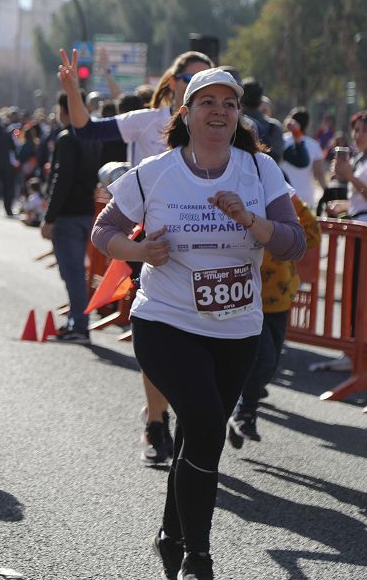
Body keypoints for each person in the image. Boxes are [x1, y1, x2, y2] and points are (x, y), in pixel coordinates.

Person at [90, 68, 304, 580]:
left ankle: (171, 533)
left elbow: (293, 242)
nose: (218, 111)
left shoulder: (260, 171)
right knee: (207, 420)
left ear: (238, 116)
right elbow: (105, 231)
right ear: (185, 113)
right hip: (165, 319)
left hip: (236, 326)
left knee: (197, 433)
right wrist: (140, 251)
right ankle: (198, 556)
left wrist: (250, 221)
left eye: (228, 104)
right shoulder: (157, 172)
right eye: (205, 102)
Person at [61, 47, 214, 465]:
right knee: (162, 334)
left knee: (199, 336)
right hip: (152, 244)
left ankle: (184, 413)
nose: (198, 90)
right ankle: (157, 421)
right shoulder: (147, 120)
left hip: (205, 244)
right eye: (190, 81)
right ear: (172, 83)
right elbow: (87, 130)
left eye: (208, 81)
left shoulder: (221, 127)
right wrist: (74, 90)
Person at [228, 195, 320, 447]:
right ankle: (243, 412)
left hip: (279, 298)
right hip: (245, 297)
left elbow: (312, 235)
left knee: (269, 366)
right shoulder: (238, 201)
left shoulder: (284, 200)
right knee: (263, 359)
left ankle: (238, 407)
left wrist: (293, 204)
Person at [41, 91, 102, 343]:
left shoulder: (67, 138)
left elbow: (61, 179)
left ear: (63, 109)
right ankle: (76, 321)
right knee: (78, 271)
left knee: (73, 271)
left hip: (67, 214)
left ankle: (79, 324)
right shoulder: (95, 137)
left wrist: (49, 217)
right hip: (88, 209)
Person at [279, 107, 326, 209]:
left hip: (283, 196)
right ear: (307, 124)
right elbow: (319, 174)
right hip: (305, 199)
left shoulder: (280, 141)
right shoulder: (314, 145)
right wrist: (327, 193)